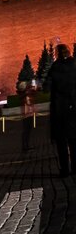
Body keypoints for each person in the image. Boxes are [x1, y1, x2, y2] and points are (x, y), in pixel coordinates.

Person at [46, 44, 76, 178]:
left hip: (60, 110)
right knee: (74, 141)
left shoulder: (55, 68)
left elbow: (46, 87)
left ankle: (65, 170)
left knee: (62, 143)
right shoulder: (74, 65)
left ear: (57, 54)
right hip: (74, 108)